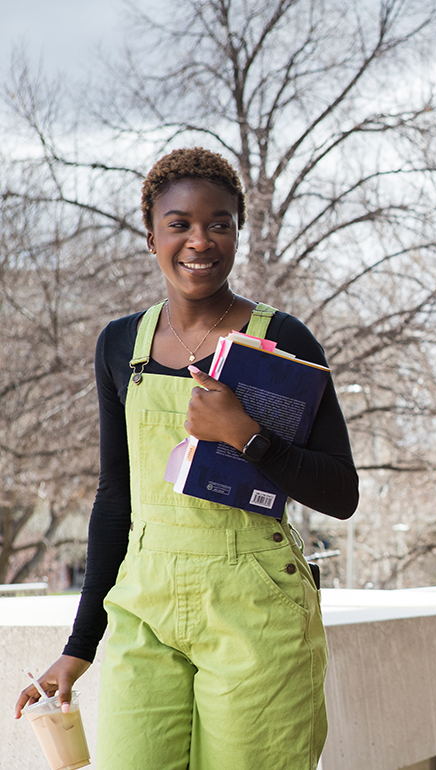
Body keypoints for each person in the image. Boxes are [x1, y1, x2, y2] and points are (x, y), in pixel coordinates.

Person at [15, 147, 359, 769]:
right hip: (142, 605)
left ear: (237, 233)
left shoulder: (282, 340)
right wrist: (79, 647)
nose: (200, 241)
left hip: (255, 606)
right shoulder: (120, 345)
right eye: (180, 224)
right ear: (151, 236)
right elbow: (115, 499)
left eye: (219, 223)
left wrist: (247, 436)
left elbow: (341, 492)